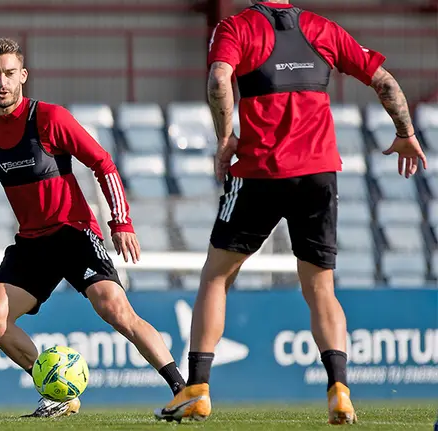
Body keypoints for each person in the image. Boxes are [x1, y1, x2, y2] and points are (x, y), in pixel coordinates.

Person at [155, 0, 428, 425]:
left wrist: (225, 137)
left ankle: (198, 389)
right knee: (321, 288)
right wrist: (406, 133)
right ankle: (339, 390)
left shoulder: (236, 28)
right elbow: (385, 82)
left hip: (259, 172)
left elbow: (218, 78)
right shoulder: (322, 28)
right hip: (318, 174)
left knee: (216, 275)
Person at [0, 38, 187, 418]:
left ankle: (183, 389)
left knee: (114, 308)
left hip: (73, 232)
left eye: (10, 74)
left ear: (23, 76)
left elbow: (103, 163)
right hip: (31, 243)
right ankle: (58, 393)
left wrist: (121, 222)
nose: (3, 82)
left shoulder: (49, 118)